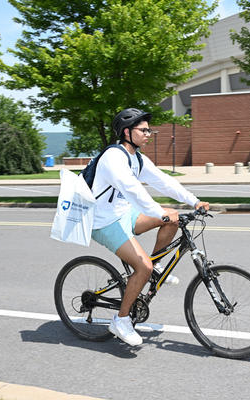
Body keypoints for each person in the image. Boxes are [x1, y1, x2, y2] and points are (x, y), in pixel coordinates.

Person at [90, 107, 209, 346]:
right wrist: (157, 214)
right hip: (103, 221)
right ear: (126, 131)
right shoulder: (113, 157)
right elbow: (133, 190)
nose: (148, 134)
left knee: (173, 216)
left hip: (124, 214)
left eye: (149, 130)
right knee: (141, 267)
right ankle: (121, 321)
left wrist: (193, 201)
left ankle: (156, 266)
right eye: (143, 130)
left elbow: (163, 181)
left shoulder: (137, 157)